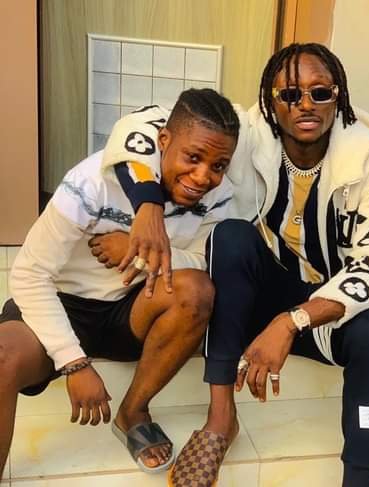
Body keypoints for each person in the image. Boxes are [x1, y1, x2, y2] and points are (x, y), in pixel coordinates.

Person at [104, 43, 369, 487]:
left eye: (320, 92)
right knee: (231, 237)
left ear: (337, 96)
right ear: (270, 101)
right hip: (262, 297)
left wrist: (292, 322)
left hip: (328, 312)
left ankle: (359, 478)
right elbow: (141, 124)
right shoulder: (252, 135)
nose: (305, 104)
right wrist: (147, 203)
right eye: (290, 94)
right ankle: (220, 420)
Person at [0, 88, 240, 478]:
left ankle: (133, 411)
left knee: (197, 290)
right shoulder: (93, 180)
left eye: (218, 165)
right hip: (62, 302)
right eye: (193, 157)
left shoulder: (220, 195)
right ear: (164, 140)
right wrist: (74, 363)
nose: (203, 177)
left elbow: (204, 260)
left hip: (131, 309)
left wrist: (139, 250)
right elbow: (29, 273)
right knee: (2, 357)